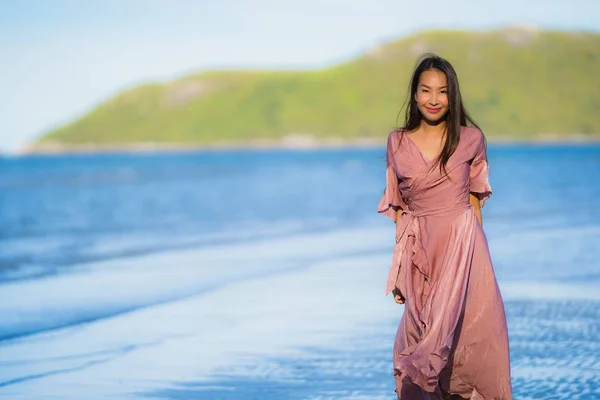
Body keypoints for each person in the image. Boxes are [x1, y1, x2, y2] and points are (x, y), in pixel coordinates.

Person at [377, 54, 512, 399]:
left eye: (442, 92)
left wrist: (479, 269)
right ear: (415, 94)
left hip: (465, 249)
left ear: (452, 96)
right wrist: (398, 274)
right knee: (418, 341)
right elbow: (401, 211)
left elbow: (474, 203)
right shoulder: (397, 142)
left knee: (468, 339)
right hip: (422, 253)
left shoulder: (470, 139)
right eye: (426, 91)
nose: (434, 99)